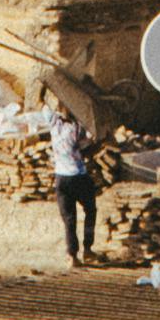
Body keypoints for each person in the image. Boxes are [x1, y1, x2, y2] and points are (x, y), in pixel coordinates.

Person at [44, 109, 98, 266]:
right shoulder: (77, 128)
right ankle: (88, 249)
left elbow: (43, 105)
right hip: (79, 176)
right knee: (90, 210)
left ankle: (72, 256)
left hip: (61, 177)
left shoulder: (54, 123)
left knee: (69, 219)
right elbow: (86, 149)